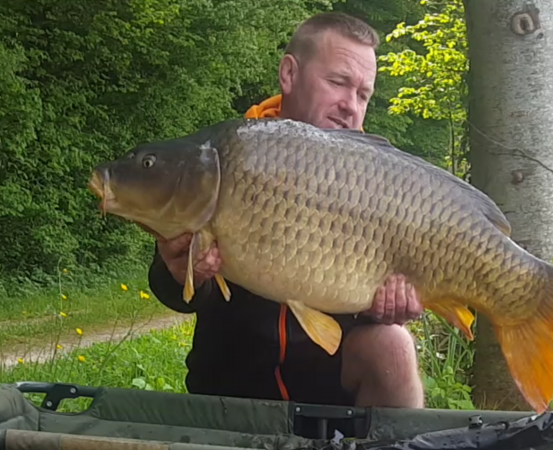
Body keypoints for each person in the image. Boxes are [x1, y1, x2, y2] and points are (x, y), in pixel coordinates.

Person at [146, 12, 426, 410]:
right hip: (230, 390)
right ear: (289, 74)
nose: (350, 106)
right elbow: (180, 291)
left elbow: (368, 300)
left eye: (363, 95)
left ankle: (387, 437)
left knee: (393, 345)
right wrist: (178, 271)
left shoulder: (376, 185)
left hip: (333, 393)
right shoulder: (228, 157)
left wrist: (387, 309)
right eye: (338, 82)